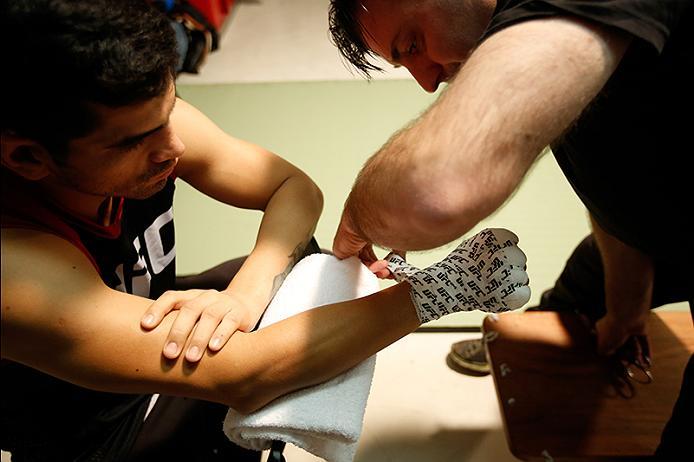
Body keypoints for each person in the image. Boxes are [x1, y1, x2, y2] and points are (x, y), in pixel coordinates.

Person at [0, 1, 531, 460]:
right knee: (257, 361)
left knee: (283, 270)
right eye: (136, 142)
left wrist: (247, 293)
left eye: (168, 114)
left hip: (142, 322)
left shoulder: (137, 124)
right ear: (27, 157)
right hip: (97, 441)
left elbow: (291, 188)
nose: (175, 147)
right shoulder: (13, 267)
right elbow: (240, 373)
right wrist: (444, 288)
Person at [327, 0, 692, 455]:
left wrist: (359, 217)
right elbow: (612, 169)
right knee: (586, 279)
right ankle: (530, 352)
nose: (426, 82)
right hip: (669, 214)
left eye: (413, 44)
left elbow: (433, 192)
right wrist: (627, 307)